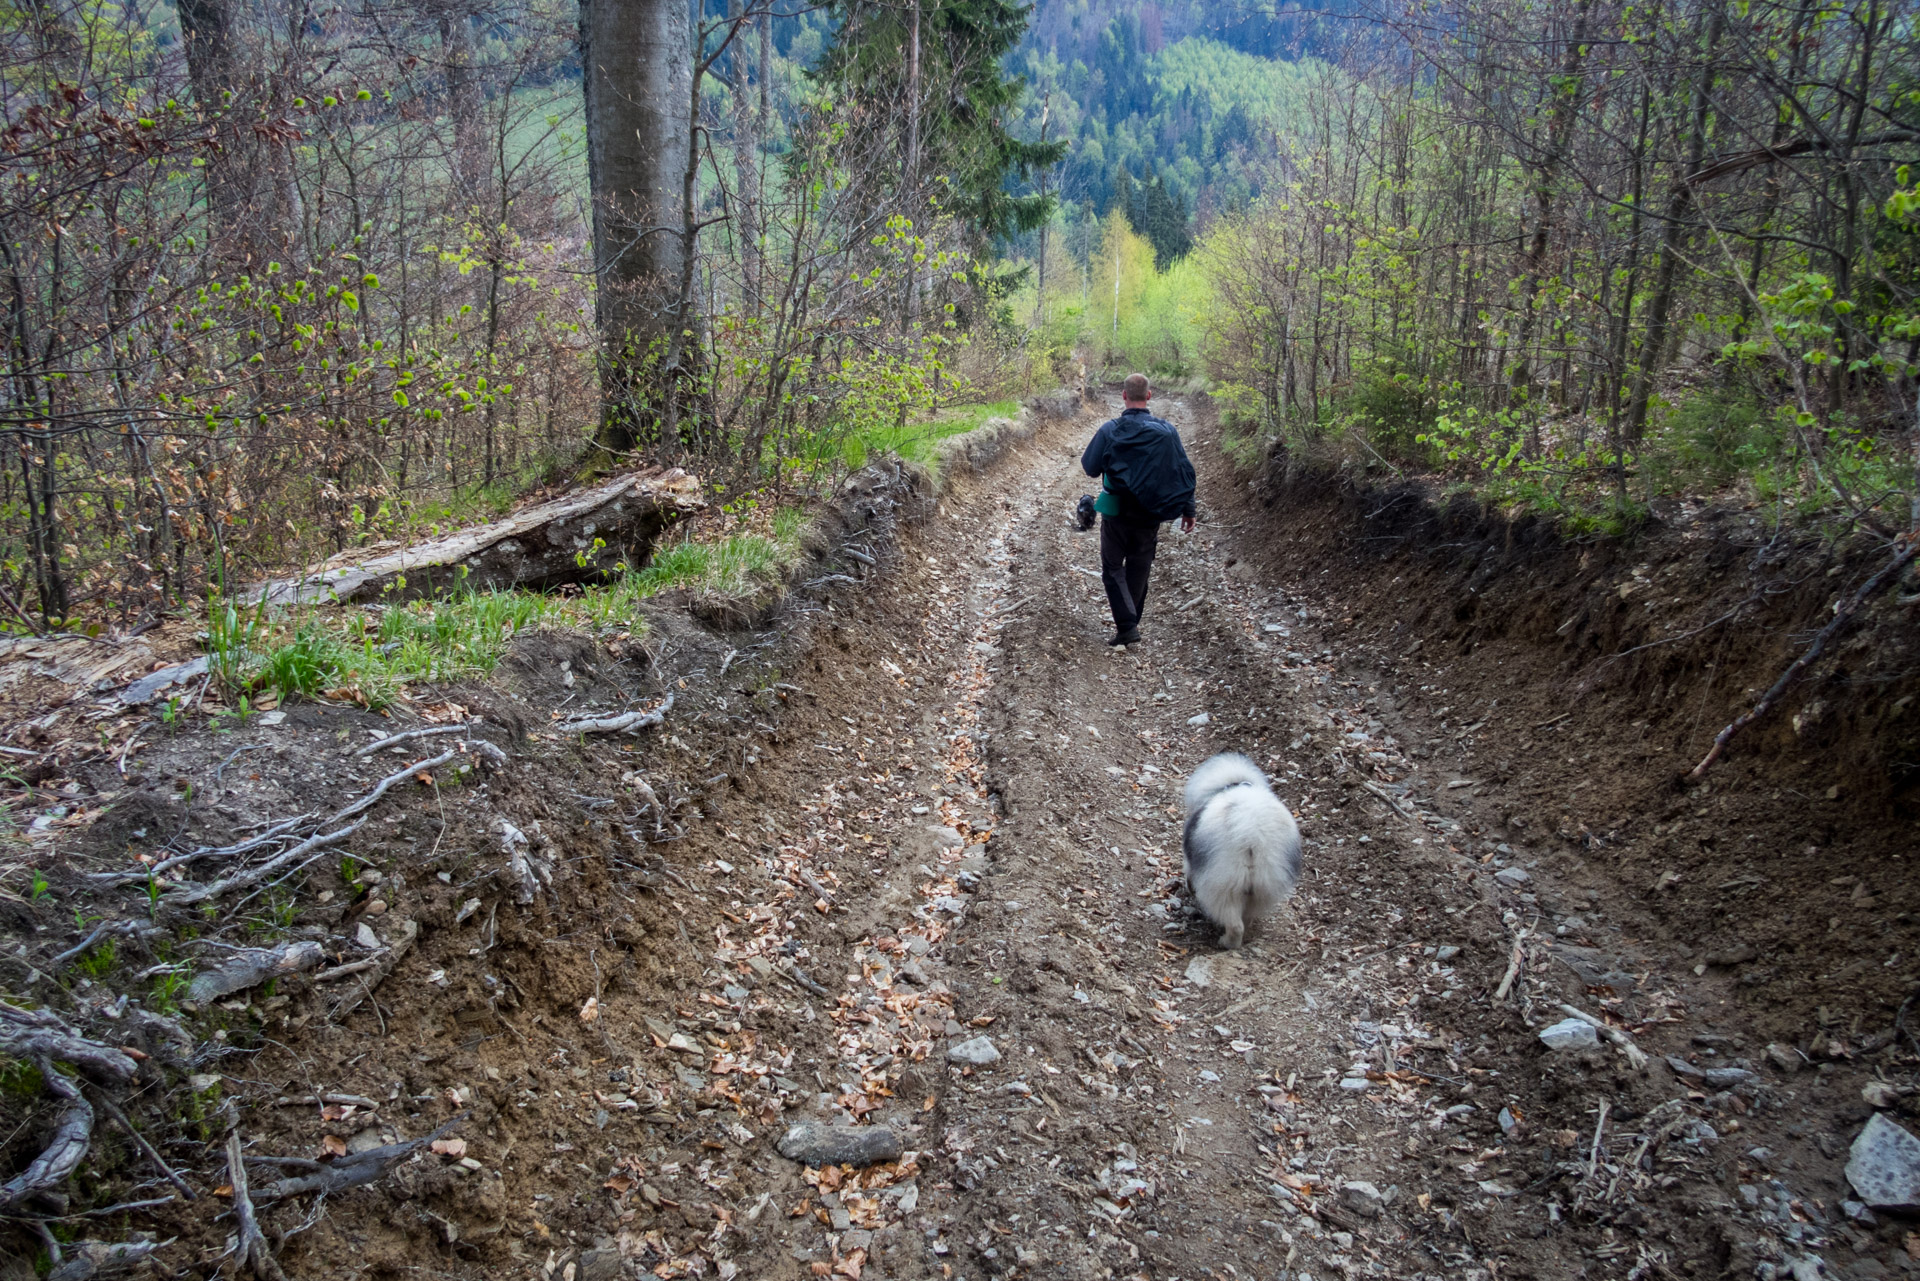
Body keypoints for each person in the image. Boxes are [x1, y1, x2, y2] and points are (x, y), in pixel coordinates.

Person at [1080, 372, 1197, 646]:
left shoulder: (1110, 430)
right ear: (1149, 396)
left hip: (1116, 510)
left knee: (1112, 567)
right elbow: (1182, 472)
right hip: (1150, 512)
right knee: (1139, 566)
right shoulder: (1167, 431)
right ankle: (1129, 624)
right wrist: (1188, 509)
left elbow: (1089, 467)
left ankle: (1127, 626)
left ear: (1123, 396)